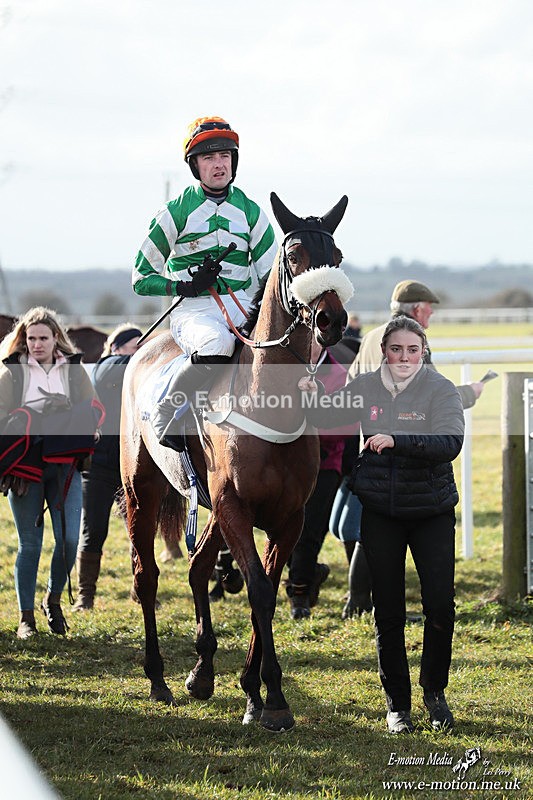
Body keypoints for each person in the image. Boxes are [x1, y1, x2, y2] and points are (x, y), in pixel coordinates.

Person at [299, 316, 464, 733]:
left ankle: (434, 693)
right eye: (396, 349)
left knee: (440, 606)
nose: (404, 357)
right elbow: (327, 415)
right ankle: (398, 706)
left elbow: (450, 443)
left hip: (432, 512)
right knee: (387, 612)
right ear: (384, 352)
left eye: (413, 349)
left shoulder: (440, 388)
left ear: (423, 351)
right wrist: (311, 394)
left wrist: (396, 439)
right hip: (381, 513)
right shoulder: (366, 386)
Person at [339, 279, 485, 620]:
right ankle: (370, 604)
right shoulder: (412, 341)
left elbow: (351, 386)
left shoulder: (374, 336)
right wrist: (469, 394)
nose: (432, 313)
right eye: (429, 307)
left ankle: (358, 600)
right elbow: (430, 394)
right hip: (405, 450)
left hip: (369, 446)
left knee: (368, 529)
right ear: (417, 309)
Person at [133, 115, 278, 451]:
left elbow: (272, 275)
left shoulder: (252, 212)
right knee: (217, 344)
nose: (219, 164)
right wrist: (183, 287)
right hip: (194, 309)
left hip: (242, 305)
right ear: (195, 166)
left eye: (225, 156)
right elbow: (141, 278)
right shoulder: (174, 212)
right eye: (209, 157)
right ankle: (165, 409)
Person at [0, 307, 97, 638]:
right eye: (31, 338)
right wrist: (31, 414)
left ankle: (53, 600)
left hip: (65, 464)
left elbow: (94, 409)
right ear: (24, 340)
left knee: (69, 540)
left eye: (43, 337)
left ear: (56, 337)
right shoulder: (11, 372)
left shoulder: (73, 370)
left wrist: (82, 421)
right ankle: (25, 619)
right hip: (24, 468)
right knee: (30, 544)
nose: (37, 344)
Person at [73, 324, 142, 611]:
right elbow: (120, 365)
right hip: (99, 465)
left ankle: (141, 590)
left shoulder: (139, 375)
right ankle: (85, 595)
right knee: (93, 530)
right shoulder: (106, 366)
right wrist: (148, 354)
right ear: (116, 347)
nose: (140, 351)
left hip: (132, 465)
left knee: (139, 532)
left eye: (143, 346)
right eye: (135, 346)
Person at [285, 347, 356, 620]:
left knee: (309, 531)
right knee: (284, 529)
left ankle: (299, 595)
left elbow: (336, 428)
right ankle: (310, 574)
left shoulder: (337, 373)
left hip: (324, 463)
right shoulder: (285, 366)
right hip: (286, 464)